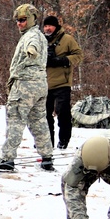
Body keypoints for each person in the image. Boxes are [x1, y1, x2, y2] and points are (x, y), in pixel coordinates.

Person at [0, 4, 54, 172]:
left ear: (31, 20)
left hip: (25, 86)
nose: (19, 23)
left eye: (23, 20)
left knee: (15, 120)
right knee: (39, 121)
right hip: (40, 85)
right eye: (18, 21)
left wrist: (31, 51)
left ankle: (7, 160)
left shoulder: (31, 37)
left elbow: (32, 47)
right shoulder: (39, 35)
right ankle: (47, 158)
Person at [42, 15, 83, 149]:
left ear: (56, 26)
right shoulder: (40, 40)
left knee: (63, 113)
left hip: (62, 83)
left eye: (50, 26)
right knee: (44, 115)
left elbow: (78, 55)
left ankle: (64, 141)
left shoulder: (67, 39)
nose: (47, 28)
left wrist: (62, 60)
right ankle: (48, 143)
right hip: (44, 83)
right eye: (45, 26)